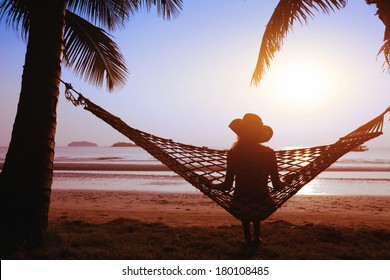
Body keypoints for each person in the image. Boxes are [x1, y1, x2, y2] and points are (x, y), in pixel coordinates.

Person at [213, 113, 284, 245]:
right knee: (256, 196)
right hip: (264, 206)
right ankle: (257, 236)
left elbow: (227, 185)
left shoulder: (234, 153)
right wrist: (293, 179)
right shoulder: (268, 153)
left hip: (240, 206)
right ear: (258, 133)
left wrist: (210, 185)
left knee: (245, 198)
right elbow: (277, 186)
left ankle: (247, 236)